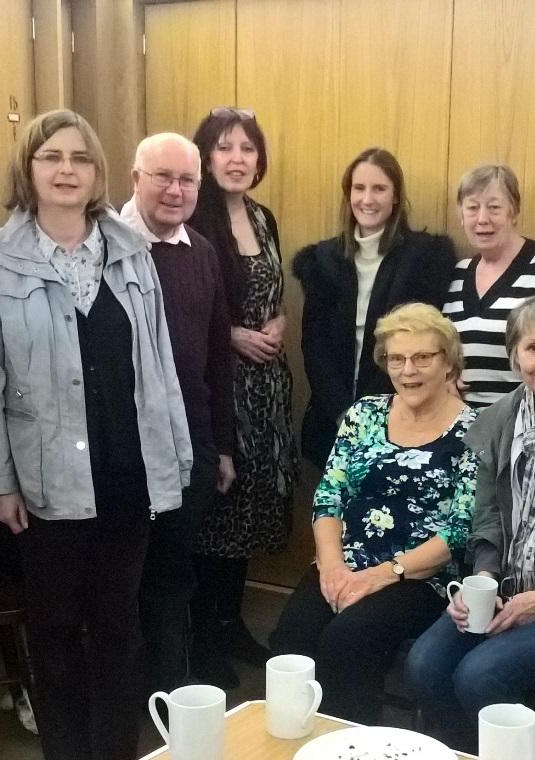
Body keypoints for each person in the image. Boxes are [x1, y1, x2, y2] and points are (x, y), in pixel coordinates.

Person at [0, 109, 192, 760]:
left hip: (128, 472)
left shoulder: (129, 248)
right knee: (57, 633)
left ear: (97, 173)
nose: (66, 170)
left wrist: (174, 462)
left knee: (119, 628)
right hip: (45, 483)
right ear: (28, 168)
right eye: (51, 157)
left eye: (80, 158)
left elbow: (158, 363)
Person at [405, 294, 535, 749]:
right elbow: (487, 515)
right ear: (514, 354)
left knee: (482, 675)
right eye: (533, 348)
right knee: (425, 663)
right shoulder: (501, 419)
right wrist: (482, 579)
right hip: (511, 583)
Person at [269, 302, 479, 725]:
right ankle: (291, 743)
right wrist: (331, 567)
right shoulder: (364, 414)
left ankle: (348, 746)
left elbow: (460, 529)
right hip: (346, 564)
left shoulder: (474, 429)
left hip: (421, 578)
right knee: (291, 637)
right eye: (397, 359)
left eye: (423, 357)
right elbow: (328, 497)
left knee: (348, 639)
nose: (409, 370)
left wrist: (384, 574)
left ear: (448, 362)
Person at [119, 132, 236, 693]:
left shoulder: (204, 253)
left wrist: (223, 446)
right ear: (134, 176)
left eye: (187, 180)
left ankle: (168, 701)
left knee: (171, 576)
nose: (175, 190)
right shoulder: (102, 246)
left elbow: (218, 358)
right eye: (162, 176)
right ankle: (121, 696)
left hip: (191, 445)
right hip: (120, 451)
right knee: (118, 579)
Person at [186, 107, 297, 685]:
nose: (236, 159)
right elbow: (185, 308)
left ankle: (230, 623)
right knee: (217, 510)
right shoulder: (194, 218)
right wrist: (230, 334)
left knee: (251, 509)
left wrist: (277, 322)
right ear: (205, 156)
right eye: (225, 148)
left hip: (266, 388)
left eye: (247, 149)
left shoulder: (263, 216)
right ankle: (202, 637)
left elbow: (271, 292)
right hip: (220, 385)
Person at [293, 147, 458, 468]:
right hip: (333, 420)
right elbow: (314, 346)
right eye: (359, 188)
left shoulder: (425, 258)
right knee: (334, 515)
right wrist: (344, 412)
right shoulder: (323, 260)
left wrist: (373, 414)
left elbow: (422, 344)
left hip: (404, 416)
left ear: (396, 196)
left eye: (379, 188)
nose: (367, 199)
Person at [442, 164, 535, 408]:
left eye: (494, 208)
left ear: (514, 212)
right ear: (461, 216)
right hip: (458, 422)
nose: (482, 219)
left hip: (526, 422)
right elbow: (440, 347)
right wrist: (444, 376)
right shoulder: (457, 273)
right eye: (473, 208)